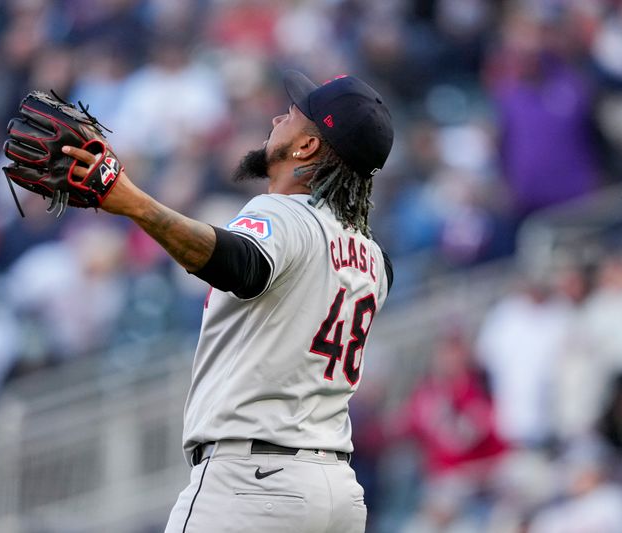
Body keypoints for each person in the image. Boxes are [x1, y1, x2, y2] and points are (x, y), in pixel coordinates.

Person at [63, 70, 394, 532]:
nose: (279, 116)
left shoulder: (282, 212)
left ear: (307, 147)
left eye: (294, 115)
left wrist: (131, 201)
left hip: (253, 485)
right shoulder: (375, 259)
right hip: (336, 493)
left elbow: (240, 264)